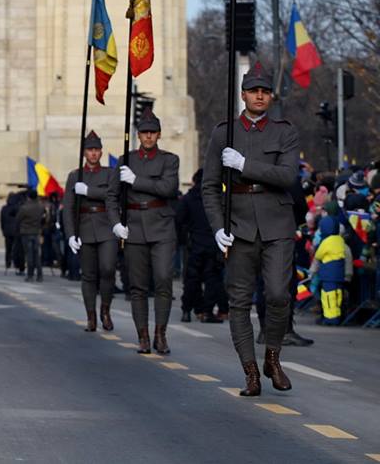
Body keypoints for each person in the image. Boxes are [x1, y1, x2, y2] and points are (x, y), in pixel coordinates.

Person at [202, 62, 297, 396]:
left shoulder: (284, 131)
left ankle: (272, 356)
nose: (260, 96)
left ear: (271, 96)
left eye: (265, 91)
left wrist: (244, 165)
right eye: (254, 90)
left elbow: (288, 176)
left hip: (277, 221)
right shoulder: (223, 133)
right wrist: (217, 227)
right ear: (242, 95)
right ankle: (251, 371)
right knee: (239, 301)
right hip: (239, 224)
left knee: (277, 294)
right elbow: (209, 186)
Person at [106, 107, 179, 355]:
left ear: (159, 135)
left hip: (162, 225)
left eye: (152, 132)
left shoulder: (169, 160)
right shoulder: (125, 160)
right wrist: (116, 222)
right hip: (134, 225)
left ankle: (161, 332)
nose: (148, 136)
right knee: (137, 286)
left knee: (163, 280)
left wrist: (136, 181)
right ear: (138, 135)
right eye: (144, 132)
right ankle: (143, 336)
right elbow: (112, 196)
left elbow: (169, 188)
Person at [64, 130, 117, 331]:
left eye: (96, 150)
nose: (93, 154)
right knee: (88, 275)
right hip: (84, 228)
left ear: (101, 152)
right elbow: (68, 208)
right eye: (89, 150)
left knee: (108, 269)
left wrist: (89, 191)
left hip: (106, 226)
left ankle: (105, 309)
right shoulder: (75, 176)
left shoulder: (110, 174)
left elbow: (113, 195)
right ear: (84, 153)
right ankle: (91, 316)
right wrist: (70, 235)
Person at [176, 169, 226, 324]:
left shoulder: (188, 199)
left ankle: (187, 310)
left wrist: (183, 240)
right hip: (213, 243)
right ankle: (206, 311)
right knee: (212, 279)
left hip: (194, 243)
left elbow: (179, 220)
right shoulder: (217, 199)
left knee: (191, 279)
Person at [309, 215, 351, 326]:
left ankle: (330, 318)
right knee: (337, 295)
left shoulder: (325, 242)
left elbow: (318, 256)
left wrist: (312, 272)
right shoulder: (340, 241)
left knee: (328, 297)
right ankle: (337, 316)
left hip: (328, 274)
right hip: (339, 274)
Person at [16, 190, 45, 282]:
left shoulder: (24, 208)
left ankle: (30, 275)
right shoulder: (41, 207)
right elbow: (44, 218)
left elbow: (18, 219)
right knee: (37, 255)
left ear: (28, 197)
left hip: (26, 232)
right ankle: (40, 275)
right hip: (36, 232)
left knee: (29, 255)